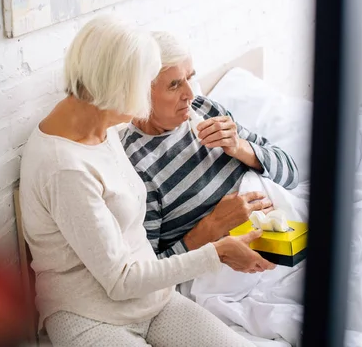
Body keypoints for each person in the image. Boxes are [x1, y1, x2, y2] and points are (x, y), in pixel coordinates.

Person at [19, 15, 273, 347]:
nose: (147, 97)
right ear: (115, 87)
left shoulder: (99, 124)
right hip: (90, 317)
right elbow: (120, 280)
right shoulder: (64, 168)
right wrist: (217, 253)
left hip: (153, 299)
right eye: (146, 84)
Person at [120, 31, 299, 265]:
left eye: (189, 78)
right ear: (141, 92)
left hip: (288, 239)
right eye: (174, 85)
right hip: (227, 270)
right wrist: (213, 227)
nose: (190, 94)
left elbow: (291, 174)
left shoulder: (205, 109)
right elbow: (150, 272)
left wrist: (240, 147)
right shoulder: (135, 165)